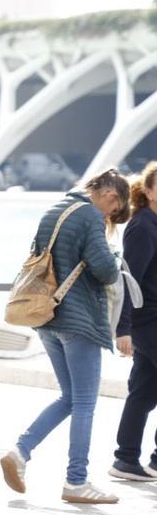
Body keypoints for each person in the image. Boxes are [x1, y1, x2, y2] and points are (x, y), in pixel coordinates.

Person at [0, 172, 129, 502]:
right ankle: (76, 480)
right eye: (115, 208)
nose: (110, 215)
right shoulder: (89, 215)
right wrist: (115, 256)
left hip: (48, 318)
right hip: (79, 321)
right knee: (85, 401)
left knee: (69, 397)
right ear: (110, 193)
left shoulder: (55, 209)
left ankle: (20, 451)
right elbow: (105, 270)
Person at [112, 162, 157, 481]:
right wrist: (123, 329)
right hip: (149, 321)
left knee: (143, 391)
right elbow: (129, 280)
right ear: (149, 190)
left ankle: (126, 459)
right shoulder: (143, 226)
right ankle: (130, 457)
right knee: (142, 391)